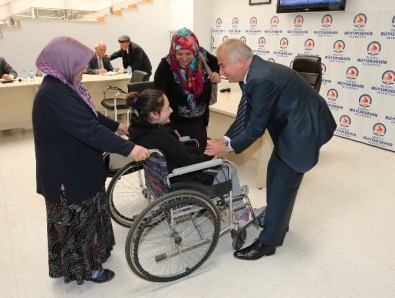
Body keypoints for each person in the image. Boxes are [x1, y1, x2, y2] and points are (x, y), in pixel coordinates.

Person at [32, 36, 150, 285]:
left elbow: (90, 115)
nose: (85, 69)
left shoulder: (64, 86)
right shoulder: (54, 95)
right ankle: (87, 269)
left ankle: (96, 255)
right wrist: (130, 149)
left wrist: (117, 125)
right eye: (81, 65)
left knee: (92, 212)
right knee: (80, 219)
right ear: (65, 62)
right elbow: (89, 130)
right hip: (67, 174)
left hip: (79, 166)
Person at [205, 39, 337, 261]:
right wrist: (226, 138)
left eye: (222, 65)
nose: (220, 71)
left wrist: (227, 147)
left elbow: (255, 128)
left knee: (282, 183)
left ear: (239, 61)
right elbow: (246, 113)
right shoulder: (250, 73)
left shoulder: (260, 78)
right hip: (291, 125)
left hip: (303, 130)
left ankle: (269, 243)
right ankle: (279, 223)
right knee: (275, 176)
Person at [126, 88, 246, 198]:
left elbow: (179, 152)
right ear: (154, 114)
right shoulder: (161, 136)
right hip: (182, 179)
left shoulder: (140, 131)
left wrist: (204, 150)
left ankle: (235, 192)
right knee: (229, 166)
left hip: (164, 177)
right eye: (167, 108)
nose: (171, 110)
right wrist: (210, 154)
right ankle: (238, 208)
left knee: (212, 154)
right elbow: (188, 162)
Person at [154, 28, 221, 150]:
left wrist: (216, 73)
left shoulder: (203, 56)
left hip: (199, 122)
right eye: (179, 54)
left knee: (199, 153)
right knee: (182, 157)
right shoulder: (165, 66)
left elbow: (216, 62)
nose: (184, 58)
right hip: (176, 124)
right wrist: (170, 127)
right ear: (173, 51)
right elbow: (158, 99)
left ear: (195, 50)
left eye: (188, 53)